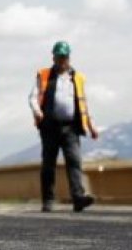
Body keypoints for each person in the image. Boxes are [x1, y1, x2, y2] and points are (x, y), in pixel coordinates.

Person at [29, 41, 100, 212]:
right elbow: (32, 97)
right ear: (53, 57)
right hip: (50, 127)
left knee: (74, 161)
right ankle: (48, 200)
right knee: (48, 164)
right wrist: (37, 111)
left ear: (69, 57)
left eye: (65, 57)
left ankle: (78, 198)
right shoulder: (44, 75)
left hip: (71, 128)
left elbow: (83, 104)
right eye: (59, 57)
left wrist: (91, 126)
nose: (62, 60)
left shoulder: (77, 78)